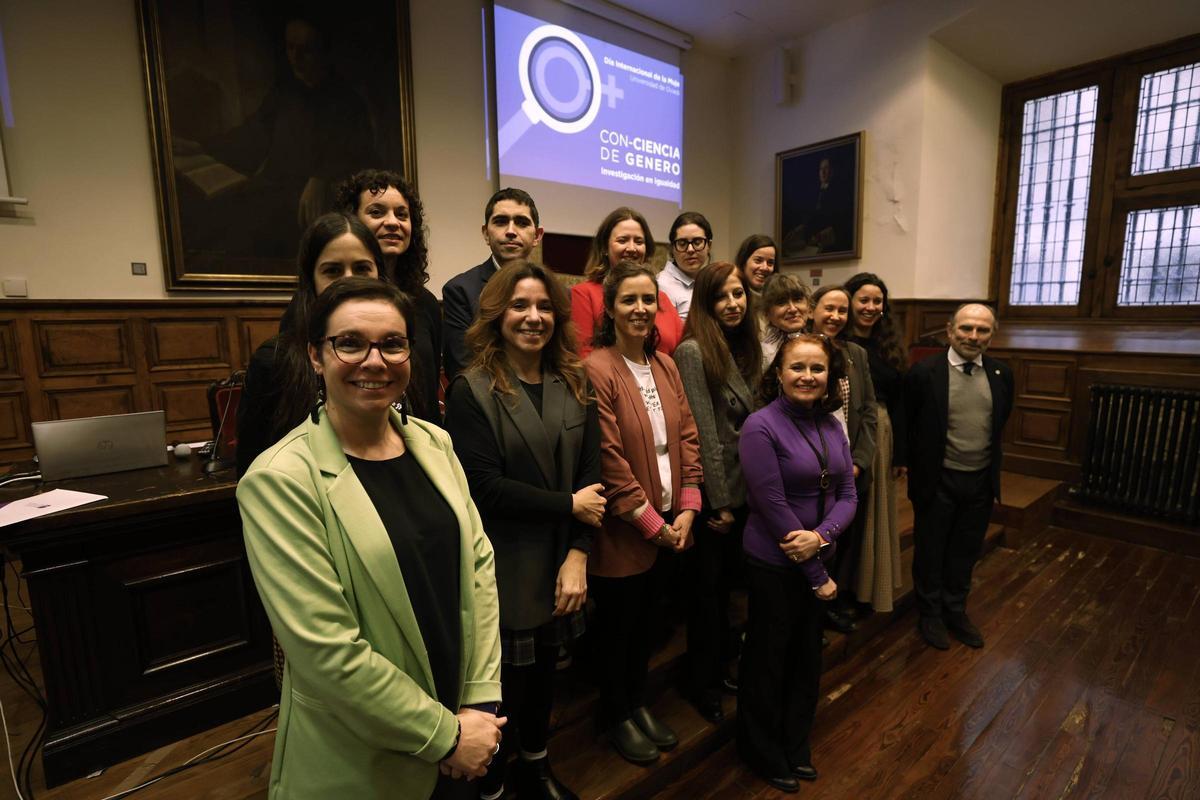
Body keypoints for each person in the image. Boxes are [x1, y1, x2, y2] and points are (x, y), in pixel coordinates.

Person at [237, 278, 505, 799]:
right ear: (317, 356)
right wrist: (446, 737)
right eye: (351, 343)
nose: (375, 360)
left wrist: (480, 701)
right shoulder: (280, 479)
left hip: (465, 715)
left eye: (392, 343)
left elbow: (479, 568)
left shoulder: (434, 442)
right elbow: (326, 653)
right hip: (367, 752)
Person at [444, 261, 601, 800]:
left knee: (543, 685)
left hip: (563, 562)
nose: (533, 317)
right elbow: (483, 488)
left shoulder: (574, 381)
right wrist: (568, 506)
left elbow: (593, 478)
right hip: (504, 567)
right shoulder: (472, 389)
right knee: (501, 690)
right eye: (519, 306)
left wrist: (579, 553)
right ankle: (491, 785)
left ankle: (536, 769)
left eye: (543, 307)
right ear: (495, 315)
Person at [583, 261, 702, 765]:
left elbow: (688, 437)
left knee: (649, 627)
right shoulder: (597, 368)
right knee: (618, 631)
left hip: (674, 524)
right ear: (610, 309)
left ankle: (637, 703)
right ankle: (616, 715)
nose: (639, 308)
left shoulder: (667, 364)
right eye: (628, 300)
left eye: (647, 299)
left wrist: (690, 507)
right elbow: (609, 460)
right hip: (626, 531)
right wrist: (652, 524)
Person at [737, 333, 856, 794]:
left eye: (817, 369)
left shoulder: (832, 425)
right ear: (779, 374)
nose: (808, 377)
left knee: (807, 657)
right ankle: (760, 749)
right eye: (798, 368)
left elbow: (848, 494)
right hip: (775, 562)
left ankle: (794, 740)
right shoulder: (760, 426)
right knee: (768, 659)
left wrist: (823, 538)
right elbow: (772, 505)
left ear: (829, 377)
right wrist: (816, 572)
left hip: (819, 557)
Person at [672, 262, 760, 724]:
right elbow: (704, 432)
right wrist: (720, 502)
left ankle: (720, 669)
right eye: (723, 296)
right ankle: (700, 682)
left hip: (746, 490)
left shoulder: (741, 347)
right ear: (706, 304)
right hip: (715, 496)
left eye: (739, 294)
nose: (734, 303)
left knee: (727, 591)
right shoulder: (692, 350)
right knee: (705, 597)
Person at [236, 212, 386, 478]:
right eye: (333, 271)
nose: (348, 281)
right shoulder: (275, 361)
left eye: (362, 269)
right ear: (312, 280)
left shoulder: (396, 352)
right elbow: (254, 473)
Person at [904, 303, 1013, 650]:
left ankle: (955, 610)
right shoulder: (924, 373)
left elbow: (999, 422)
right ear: (950, 330)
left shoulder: (1001, 374)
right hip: (937, 480)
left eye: (982, 330)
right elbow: (910, 425)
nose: (973, 336)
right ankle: (930, 615)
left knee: (965, 551)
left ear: (992, 336)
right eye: (966, 328)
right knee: (931, 551)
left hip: (980, 480)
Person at [336, 169, 442, 422]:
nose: (393, 222)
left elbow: (430, 388)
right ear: (353, 222)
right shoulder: (331, 299)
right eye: (377, 212)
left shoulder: (425, 303)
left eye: (402, 214)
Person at [810, 285, 877, 634]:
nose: (835, 316)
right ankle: (810, 612)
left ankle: (830, 607)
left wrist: (859, 462)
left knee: (841, 542)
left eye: (842, 310)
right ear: (812, 309)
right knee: (812, 542)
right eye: (828, 308)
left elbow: (868, 412)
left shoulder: (856, 354)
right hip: (812, 470)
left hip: (850, 469)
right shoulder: (801, 349)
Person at [844, 272, 908, 612]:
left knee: (873, 511)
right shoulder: (837, 340)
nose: (870, 307)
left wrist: (902, 454)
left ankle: (865, 587)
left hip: (880, 432)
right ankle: (839, 589)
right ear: (849, 302)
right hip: (842, 429)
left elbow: (900, 401)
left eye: (876, 301)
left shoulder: (888, 346)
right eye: (863, 300)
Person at [442, 188, 545, 381]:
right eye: (501, 222)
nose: (511, 231)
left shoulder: (557, 294)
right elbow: (462, 369)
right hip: (485, 403)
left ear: (537, 236)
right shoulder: (460, 290)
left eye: (522, 223)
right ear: (486, 233)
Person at [570, 208, 684, 359]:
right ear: (605, 247)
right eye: (622, 240)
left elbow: (681, 352)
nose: (632, 248)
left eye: (639, 241)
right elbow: (584, 357)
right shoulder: (584, 294)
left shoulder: (662, 299)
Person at [657, 211, 713, 321]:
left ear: (709, 246)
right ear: (672, 248)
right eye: (682, 243)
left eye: (697, 242)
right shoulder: (661, 285)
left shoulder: (709, 281)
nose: (690, 250)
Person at [757, 272, 812, 369]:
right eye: (781, 302)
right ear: (767, 313)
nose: (793, 309)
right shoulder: (760, 354)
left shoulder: (819, 345)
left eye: (797, 299)